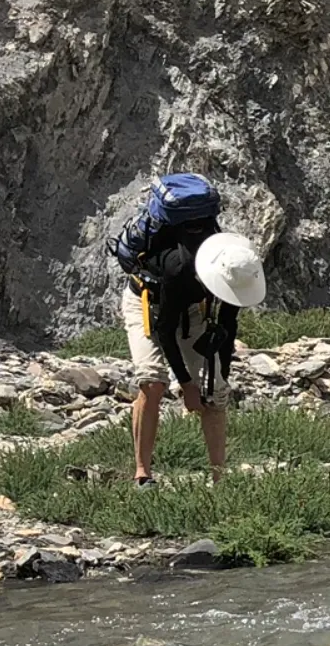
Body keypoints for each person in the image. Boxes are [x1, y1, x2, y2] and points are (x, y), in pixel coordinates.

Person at [111, 174, 267, 485]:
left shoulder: (235, 269)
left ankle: (219, 478)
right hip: (148, 304)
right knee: (152, 383)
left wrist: (218, 371)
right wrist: (186, 385)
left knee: (217, 393)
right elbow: (166, 331)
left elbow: (227, 324)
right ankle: (143, 474)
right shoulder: (178, 267)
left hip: (195, 312)